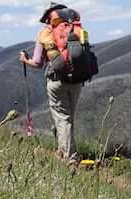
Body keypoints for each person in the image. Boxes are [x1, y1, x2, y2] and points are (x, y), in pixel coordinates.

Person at [19, 2, 83, 164]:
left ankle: (70, 159)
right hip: (76, 80)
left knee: (63, 118)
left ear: (49, 16)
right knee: (68, 118)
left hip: (56, 81)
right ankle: (63, 150)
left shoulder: (45, 33)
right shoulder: (74, 28)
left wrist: (25, 60)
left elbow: (38, 63)